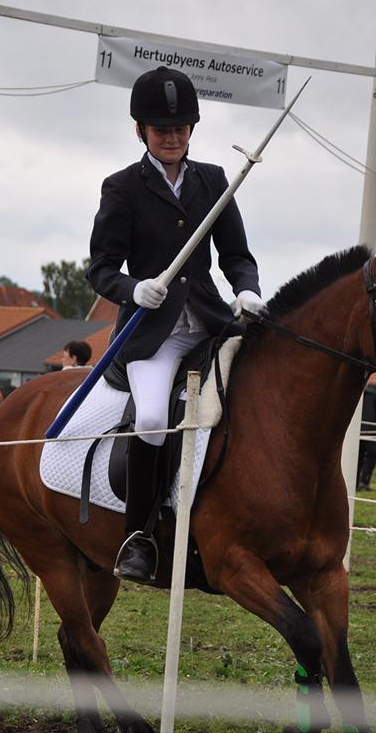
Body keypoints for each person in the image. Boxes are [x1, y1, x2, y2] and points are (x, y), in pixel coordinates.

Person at [86, 66, 263, 583]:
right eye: (162, 129)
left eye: (181, 128)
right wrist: (133, 289)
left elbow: (236, 255)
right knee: (149, 420)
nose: (173, 137)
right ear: (140, 130)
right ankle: (138, 537)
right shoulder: (122, 187)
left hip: (209, 323)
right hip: (153, 335)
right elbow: (100, 268)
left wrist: (247, 289)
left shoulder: (212, 180)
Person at [356, 388, 376, 491]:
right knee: (373, 454)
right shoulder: (373, 395)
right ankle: (364, 481)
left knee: (357, 457)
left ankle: (355, 482)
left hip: (355, 431)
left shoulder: (352, 392)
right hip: (371, 430)